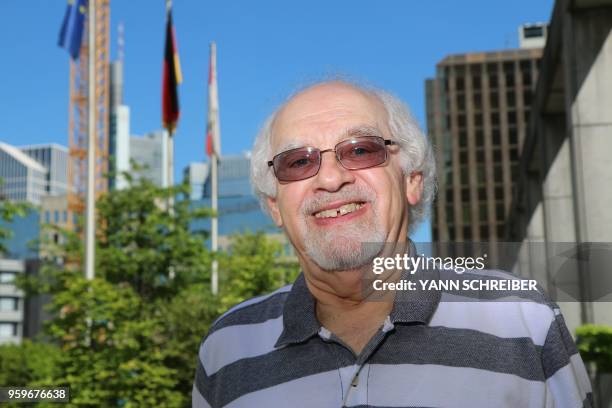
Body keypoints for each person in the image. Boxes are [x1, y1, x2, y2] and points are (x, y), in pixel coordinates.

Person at [192, 80, 592, 407]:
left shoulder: (523, 320)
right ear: (274, 205)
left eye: (361, 150)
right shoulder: (227, 347)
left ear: (411, 180)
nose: (331, 180)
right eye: (298, 162)